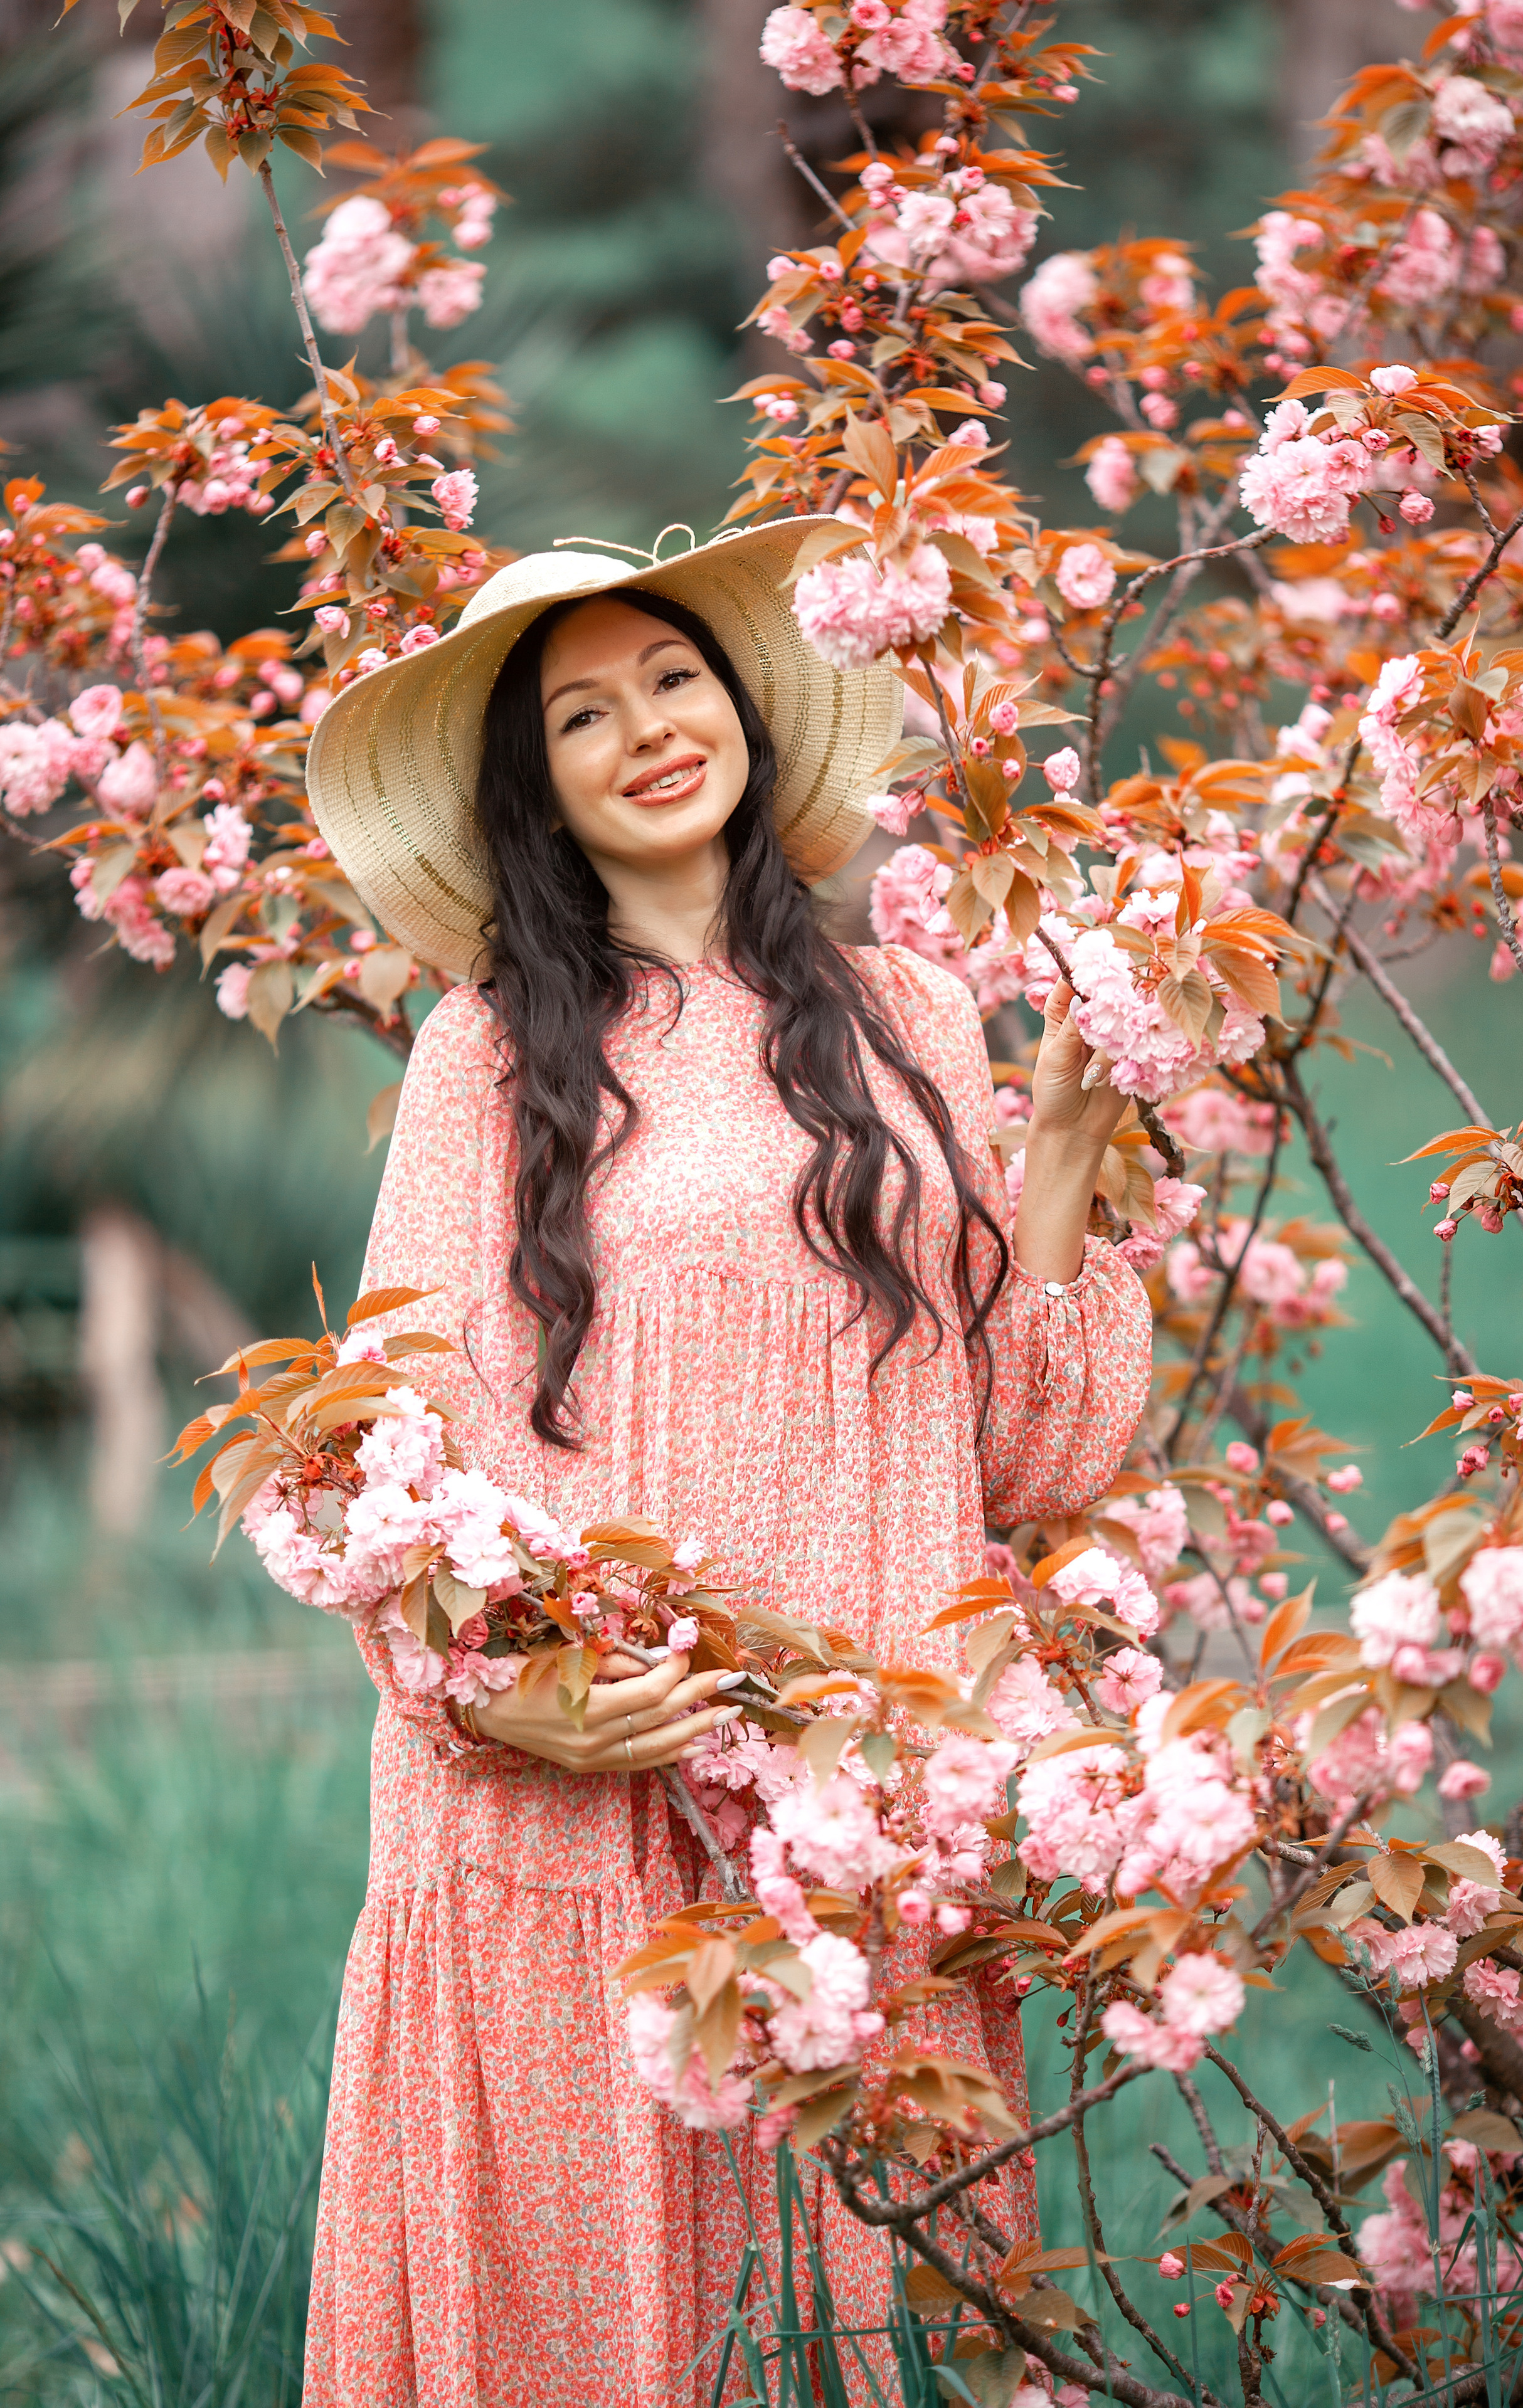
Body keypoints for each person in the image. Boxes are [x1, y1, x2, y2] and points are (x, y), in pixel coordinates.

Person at [300, 522, 1151, 2407]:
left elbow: (1026, 1455)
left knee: (863, 2330)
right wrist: (500, 1700)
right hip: (581, 1797)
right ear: (542, 791)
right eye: (584, 715)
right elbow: (384, 1439)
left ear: (746, 703)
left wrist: (1069, 1160)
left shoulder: (915, 1014)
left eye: (673, 677)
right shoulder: (490, 1052)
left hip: (860, 1795)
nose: (649, 731)